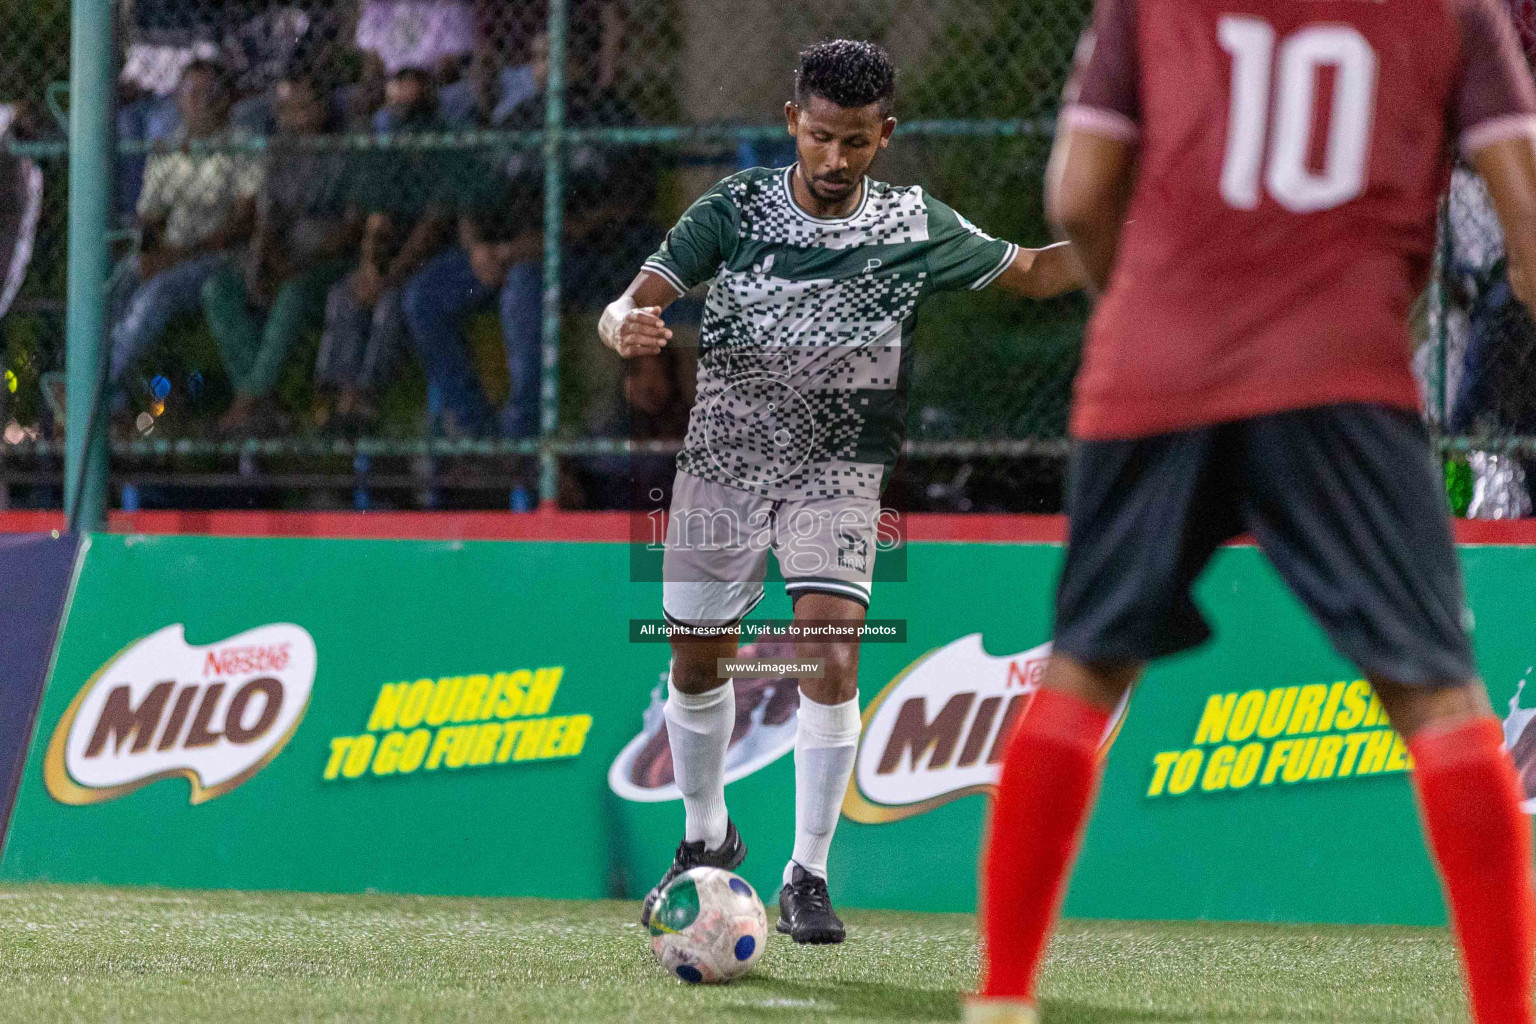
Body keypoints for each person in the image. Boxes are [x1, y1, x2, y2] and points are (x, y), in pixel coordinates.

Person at [969, 0, 1536, 1016]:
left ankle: (1004, 996)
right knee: (1442, 700)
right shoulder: (1458, 12)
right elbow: (1529, 231)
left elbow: (1079, 191)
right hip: (1340, 371)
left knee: (1084, 670)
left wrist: (1148, 308)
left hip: (1157, 361)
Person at [599, 40, 1083, 945]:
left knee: (831, 662)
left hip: (841, 473)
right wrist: (627, 321)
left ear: (885, 136)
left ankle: (808, 875)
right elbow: (630, 302)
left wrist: (1143, 233)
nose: (834, 160)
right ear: (793, 124)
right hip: (722, 466)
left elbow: (1037, 272)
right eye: (820, 137)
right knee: (697, 665)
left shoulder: (911, 223)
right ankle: (706, 834)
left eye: (855, 142)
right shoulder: (736, 209)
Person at [201, 72, 360, 434]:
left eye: (301, 107)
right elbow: (266, 221)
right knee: (218, 288)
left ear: (321, 109)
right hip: (284, 257)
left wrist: (296, 265)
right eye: (284, 108)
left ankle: (249, 401)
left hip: (327, 262)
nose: (291, 116)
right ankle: (263, 402)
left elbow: (351, 229)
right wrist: (266, 263)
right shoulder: (278, 151)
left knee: (294, 292)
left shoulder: (346, 150)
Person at [108, 60, 262, 398]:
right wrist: (149, 253)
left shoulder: (243, 145)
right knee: (115, 283)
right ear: (178, 100)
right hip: (171, 253)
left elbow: (243, 221)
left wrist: (177, 255)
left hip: (218, 258)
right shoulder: (169, 148)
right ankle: (105, 398)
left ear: (226, 99)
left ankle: (96, 383)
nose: (201, 101)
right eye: (192, 93)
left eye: (211, 93)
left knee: (157, 293)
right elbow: (149, 215)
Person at [313, 67, 452, 430]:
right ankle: (340, 396)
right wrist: (370, 268)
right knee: (346, 293)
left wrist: (389, 276)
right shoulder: (387, 156)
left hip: (429, 261)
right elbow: (378, 223)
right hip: (392, 263)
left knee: (392, 302)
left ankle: (365, 397)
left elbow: (431, 228)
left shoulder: (443, 151)